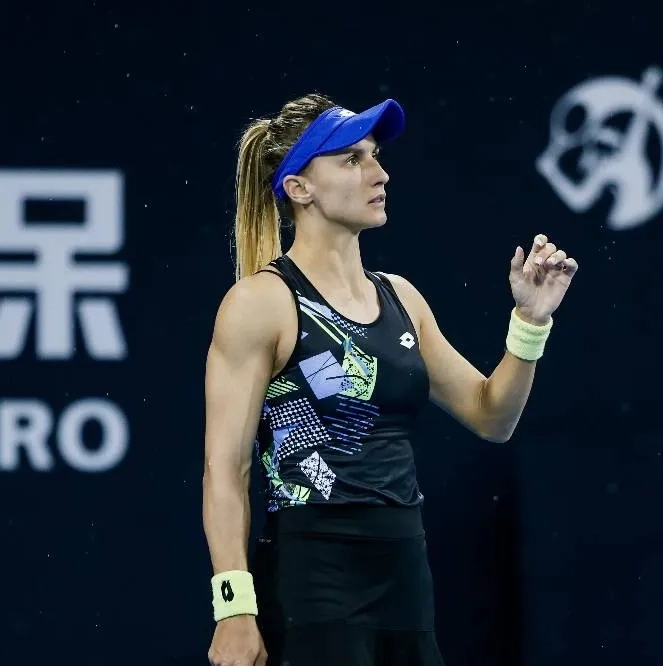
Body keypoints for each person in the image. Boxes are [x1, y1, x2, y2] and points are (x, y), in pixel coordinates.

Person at [201, 92, 579, 666]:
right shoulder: (260, 304)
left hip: (406, 574)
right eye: (351, 159)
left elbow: (491, 415)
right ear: (299, 188)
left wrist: (530, 322)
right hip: (312, 577)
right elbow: (225, 471)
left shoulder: (402, 298)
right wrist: (233, 608)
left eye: (375, 155)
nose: (379, 172)